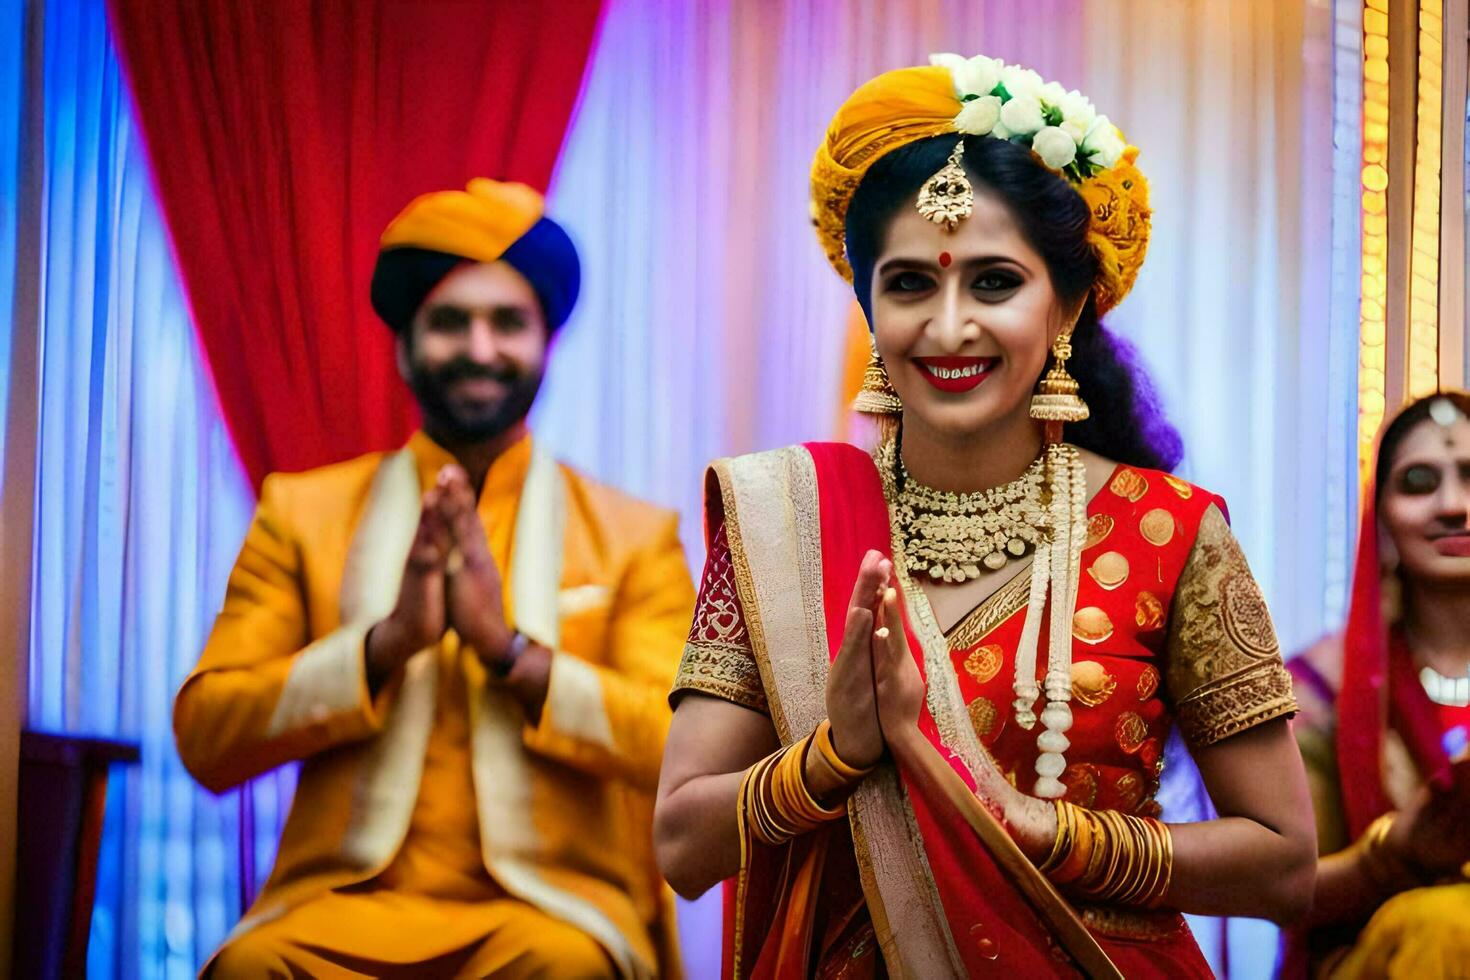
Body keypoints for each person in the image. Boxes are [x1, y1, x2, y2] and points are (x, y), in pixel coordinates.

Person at [653, 54, 1316, 977]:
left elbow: (1284, 862)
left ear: (1069, 305)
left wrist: (1041, 831)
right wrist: (834, 756)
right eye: (911, 284)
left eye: (995, 283)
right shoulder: (785, 524)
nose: (950, 326)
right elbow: (682, 846)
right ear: (868, 304)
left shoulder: (1170, 532)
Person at [176, 179, 694, 979]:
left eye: (507, 323)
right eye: (450, 322)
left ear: (547, 341)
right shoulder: (303, 514)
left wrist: (510, 652)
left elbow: (681, 749)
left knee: (569, 968)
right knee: (251, 967)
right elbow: (208, 737)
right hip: (339, 909)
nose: (480, 349)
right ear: (405, 345)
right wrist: (384, 647)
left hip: (546, 913)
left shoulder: (632, 535)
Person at [1286, 391, 1470, 978]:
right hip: (1383, 953)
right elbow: (1287, 890)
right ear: (1381, 514)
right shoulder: (1320, 687)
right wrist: (1393, 855)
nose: (1453, 505)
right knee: (1443, 924)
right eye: (1418, 482)